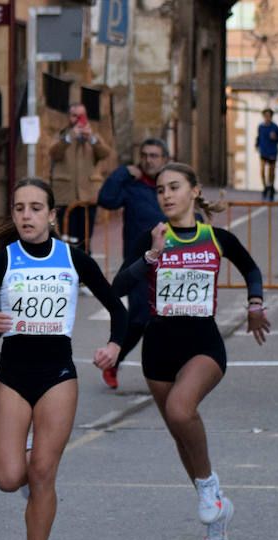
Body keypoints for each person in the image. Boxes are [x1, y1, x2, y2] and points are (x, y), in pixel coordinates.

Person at [0, 178, 126, 540]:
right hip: (14, 375)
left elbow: (117, 307)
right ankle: (29, 467)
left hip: (58, 375)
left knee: (43, 472)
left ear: (51, 216)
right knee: (9, 478)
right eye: (19, 208)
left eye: (35, 208)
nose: (26, 215)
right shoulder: (2, 260)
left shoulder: (73, 259)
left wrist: (115, 345)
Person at [111, 161, 268, 540]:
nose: (166, 195)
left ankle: (210, 489)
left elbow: (250, 268)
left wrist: (255, 303)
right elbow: (116, 286)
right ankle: (215, 512)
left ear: (194, 191)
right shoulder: (152, 239)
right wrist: (151, 256)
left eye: (174, 187)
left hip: (202, 343)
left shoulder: (216, 238)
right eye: (160, 189)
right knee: (181, 435)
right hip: (158, 346)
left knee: (182, 411)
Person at [96, 137, 169, 388]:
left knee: (167, 320)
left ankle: (170, 372)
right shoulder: (132, 186)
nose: (149, 160)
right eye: (145, 155)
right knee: (139, 319)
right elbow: (106, 199)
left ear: (165, 160)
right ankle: (115, 361)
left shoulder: (170, 189)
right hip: (139, 264)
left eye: (154, 155)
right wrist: (121, 172)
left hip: (171, 267)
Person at [48, 103, 113, 248]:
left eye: (81, 116)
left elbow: (105, 153)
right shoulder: (61, 136)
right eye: (74, 116)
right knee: (67, 236)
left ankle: (84, 260)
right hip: (66, 195)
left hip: (88, 195)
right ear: (69, 118)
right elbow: (54, 153)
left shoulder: (94, 136)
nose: (78, 120)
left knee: (85, 238)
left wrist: (91, 139)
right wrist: (69, 138)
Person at [256, 109, 278, 201]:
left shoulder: (275, 127)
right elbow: (259, 137)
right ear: (264, 117)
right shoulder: (261, 127)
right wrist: (257, 145)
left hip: (272, 152)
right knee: (262, 170)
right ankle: (265, 187)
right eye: (265, 116)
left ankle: (271, 186)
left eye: (269, 116)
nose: (267, 118)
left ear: (271, 117)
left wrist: (276, 138)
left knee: (271, 172)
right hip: (264, 151)